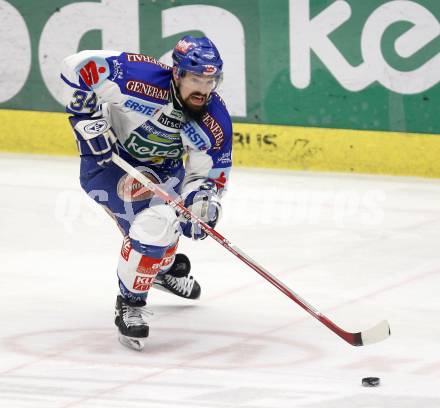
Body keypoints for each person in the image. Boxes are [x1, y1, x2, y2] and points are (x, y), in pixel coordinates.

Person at [60, 36, 232, 350]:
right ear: (177, 74)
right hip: (110, 164)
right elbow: (76, 66)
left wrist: (203, 200)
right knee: (156, 223)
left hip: (165, 174)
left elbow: (207, 173)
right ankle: (130, 303)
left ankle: (160, 269)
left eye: (210, 80)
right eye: (196, 79)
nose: (203, 89)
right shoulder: (137, 76)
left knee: (165, 228)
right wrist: (85, 118)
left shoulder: (213, 119)